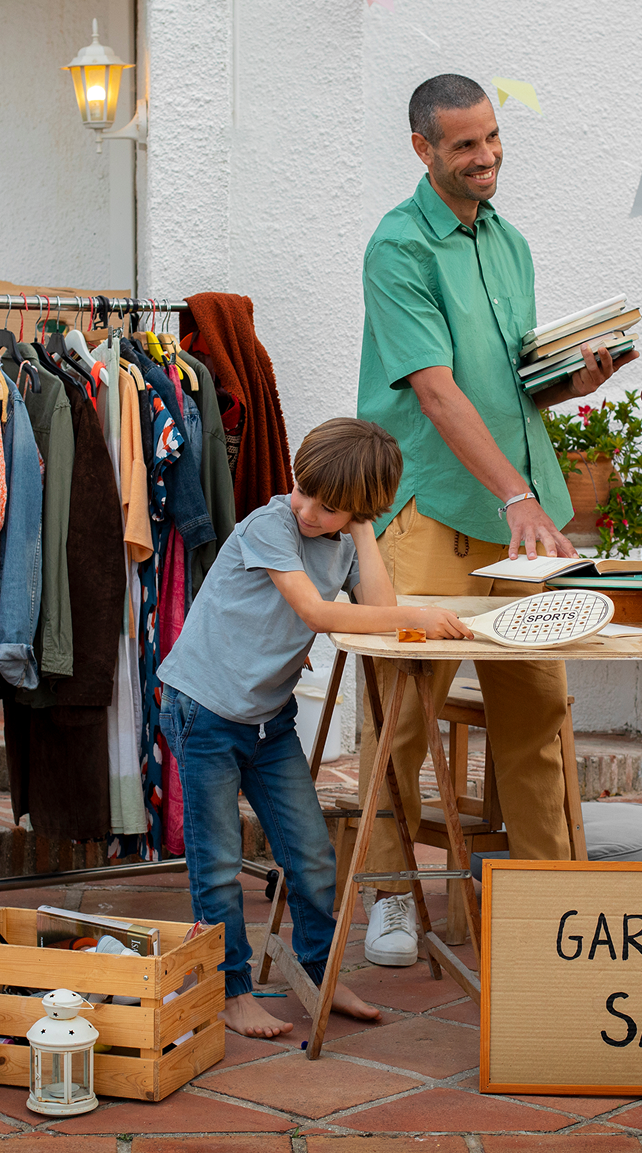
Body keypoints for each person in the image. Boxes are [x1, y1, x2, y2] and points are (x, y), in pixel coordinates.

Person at [354, 73, 633, 965]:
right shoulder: (398, 247)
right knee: (400, 719)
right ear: (423, 149)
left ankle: (554, 898)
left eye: (493, 137)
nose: (487, 157)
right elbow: (437, 392)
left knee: (537, 712)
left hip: (520, 519)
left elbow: (509, 383)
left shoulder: (509, 244)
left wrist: (573, 381)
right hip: (434, 511)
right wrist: (518, 495)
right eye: (465, 144)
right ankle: (390, 896)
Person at [156, 418, 470, 1038]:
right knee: (217, 864)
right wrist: (417, 616)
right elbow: (317, 613)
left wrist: (363, 530)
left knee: (314, 858)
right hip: (205, 711)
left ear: (357, 511)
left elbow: (376, 608)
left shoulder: (345, 538)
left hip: (268, 720)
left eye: (328, 508)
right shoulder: (270, 524)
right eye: (304, 491)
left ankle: (319, 972)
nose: (306, 509)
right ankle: (231, 991)